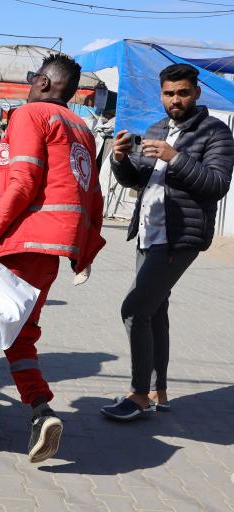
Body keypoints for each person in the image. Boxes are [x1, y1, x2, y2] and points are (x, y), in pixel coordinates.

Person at [0, 54, 106, 463]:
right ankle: (41, 411)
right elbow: (93, 196)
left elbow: (22, 183)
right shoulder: (82, 130)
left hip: (14, 244)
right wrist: (84, 253)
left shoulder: (30, 115)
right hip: (51, 255)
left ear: (40, 82)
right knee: (22, 336)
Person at [100, 63, 234, 421]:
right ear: (161, 94)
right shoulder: (156, 129)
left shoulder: (215, 133)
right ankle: (158, 391)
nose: (175, 100)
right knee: (155, 310)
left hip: (179, 238)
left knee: (134, 309)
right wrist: (119, 159)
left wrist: (176, 158)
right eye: (169, 93)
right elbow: (138, 180)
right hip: (148, 232)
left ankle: (139, 395)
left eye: (183, 93)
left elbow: (217, 185)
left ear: (196, 93)